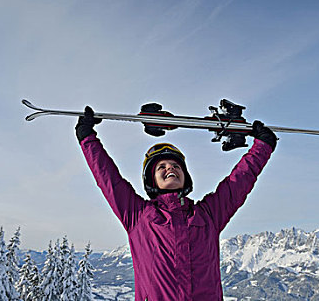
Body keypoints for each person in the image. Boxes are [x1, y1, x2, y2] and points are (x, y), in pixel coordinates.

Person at [76, 106, 277, 301]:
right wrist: (87, 139)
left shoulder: (208, 216)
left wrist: (262, 148)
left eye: (175, 165)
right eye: (161, 167)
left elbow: (237, 183)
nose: (170, 168)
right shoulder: (138, 216)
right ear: (151, 180)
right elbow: (108, 179)